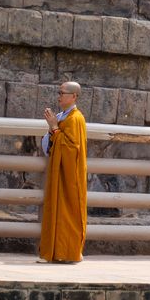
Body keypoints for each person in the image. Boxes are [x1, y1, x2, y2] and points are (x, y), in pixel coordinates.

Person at [38, 81, 87, 264]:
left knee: (68, 212)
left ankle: (69, 252)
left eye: (63, 93)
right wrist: (54, 127)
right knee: (56, 210)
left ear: (73, 96)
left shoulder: (75, 119)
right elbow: (57, 141)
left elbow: (71, 148)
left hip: (70, 176)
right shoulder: (63, 116)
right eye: (59, 92)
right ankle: (55, 251)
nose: (59, 96)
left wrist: (55, 127)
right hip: (60, 171)